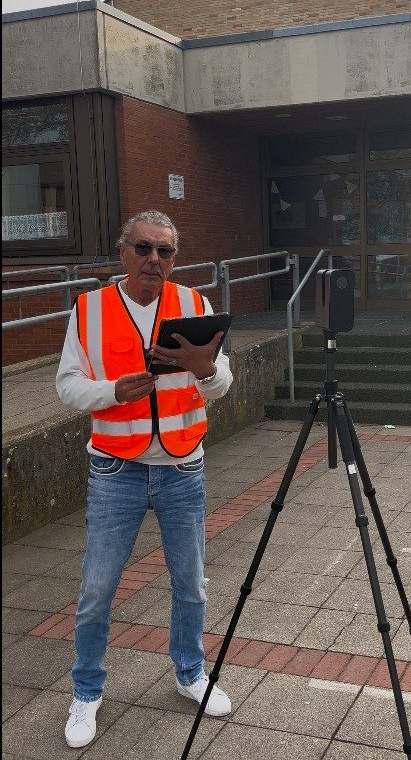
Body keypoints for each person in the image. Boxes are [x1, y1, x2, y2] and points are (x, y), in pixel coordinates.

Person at [56, 209, 233, 749]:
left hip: (182, 465)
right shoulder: (89, 309)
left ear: (175, 258)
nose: (154, 259)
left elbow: (221, 383)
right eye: (143, 248)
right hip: (116, 469)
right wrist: (114, 392)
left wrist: (206, 369)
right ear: (122, 251)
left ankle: (190, 673)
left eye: (165, 251)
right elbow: (66, 386)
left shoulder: (194, 304)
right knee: (95, 590)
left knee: (191, 584)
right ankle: (86, 690)